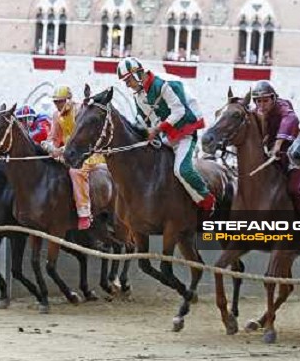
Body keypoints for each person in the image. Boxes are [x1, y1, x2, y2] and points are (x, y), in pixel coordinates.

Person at [116, 56, 215, 213]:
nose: (127, 85)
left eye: (128, 80)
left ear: (136, 74)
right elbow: (142, 120)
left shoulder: (163, 84)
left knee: (182, 171)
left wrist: (156, 129)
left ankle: (207, 201)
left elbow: (180, 111)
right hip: (165, 137)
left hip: (184, 133)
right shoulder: (138, 96)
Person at [251, 80, 300, 238]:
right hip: (277, 156)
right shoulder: (255, 112)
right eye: (258, 101)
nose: (262, 104)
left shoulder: (283, 106)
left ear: (274, 99)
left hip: (299, 154)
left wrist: (278, 144)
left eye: (265, 100)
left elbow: (291, 119)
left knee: (293, 189)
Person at [43, 86, 105, 230]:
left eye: (60, 101)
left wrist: (63, 150)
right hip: (68, 154)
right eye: (55, 102)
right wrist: (50, 146)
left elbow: (81, 138)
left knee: (75, 172)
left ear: (69, 100)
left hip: (87, 153)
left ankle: (84, 212)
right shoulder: (55, 115)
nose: (57, 105)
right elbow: (53, 137)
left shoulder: (79, 111)